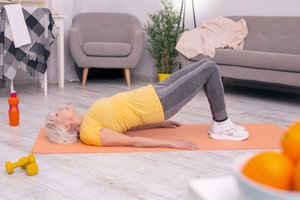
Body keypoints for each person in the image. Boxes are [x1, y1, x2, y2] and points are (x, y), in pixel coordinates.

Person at [45, 59, 249, 149]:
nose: (59, 108)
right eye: (56, 114)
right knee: (210, 69)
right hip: (160, 104)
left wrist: (157, 125)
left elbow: (127, 123)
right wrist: (170, 143)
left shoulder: (89, 116)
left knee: (205, 62)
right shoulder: (90, 133)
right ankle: (221, 124)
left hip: (156, 91)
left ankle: (221, 123)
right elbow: (131, 141)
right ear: (65, 126)